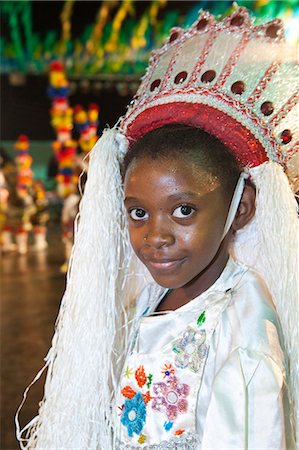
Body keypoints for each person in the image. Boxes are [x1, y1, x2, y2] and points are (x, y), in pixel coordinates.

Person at [17, 7, 298, 450]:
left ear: (240, 208)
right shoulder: (152, 295)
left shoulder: (243, 330)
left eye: (183, 211)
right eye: (138, 213)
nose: (155, 237)